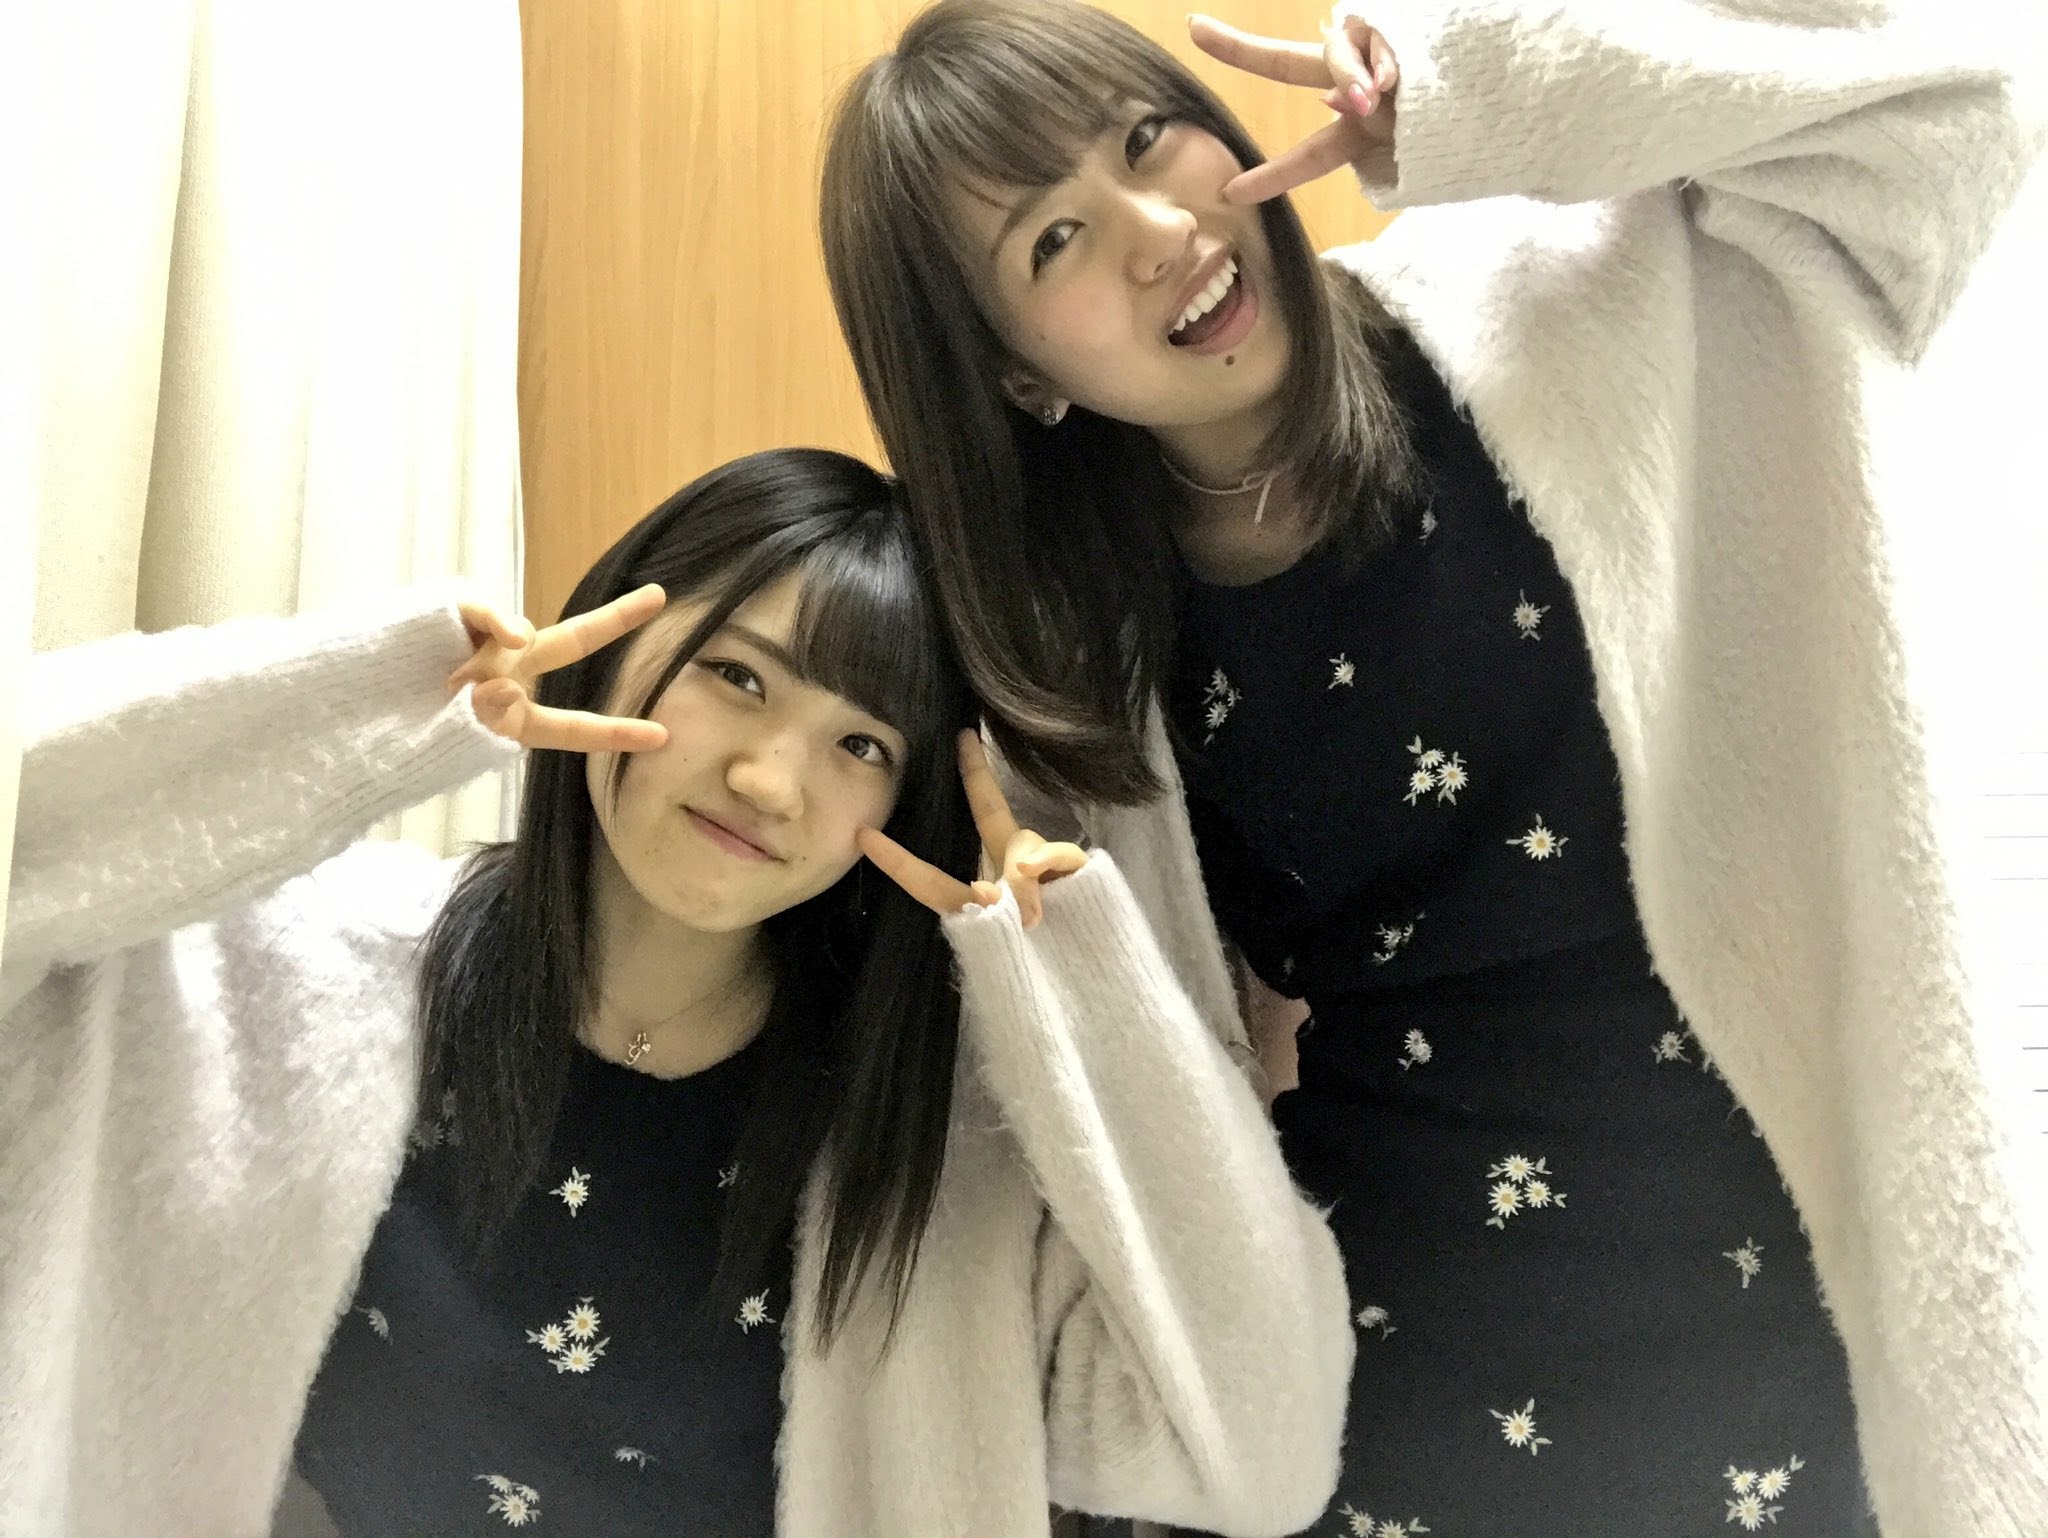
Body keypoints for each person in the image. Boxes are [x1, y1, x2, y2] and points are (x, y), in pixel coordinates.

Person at [818, 2, 2048, 1532]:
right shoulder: (1064, 664)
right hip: (1402, 1365)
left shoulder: (1563, 311)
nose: (1160, 231)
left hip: (1789, 1302)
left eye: (1144, 139)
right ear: (1013, 376)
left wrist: (1491, 97)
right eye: (1052, 240)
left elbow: (1951, 119)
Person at [0, 447, 1352, 1538]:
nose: (769, 779)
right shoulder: (298, 973)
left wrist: (1088, 987)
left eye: (859, 743)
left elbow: (1261, 1458)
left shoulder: (941, 1145)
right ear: (609, 643)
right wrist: (378, 704)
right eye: (737, 676)